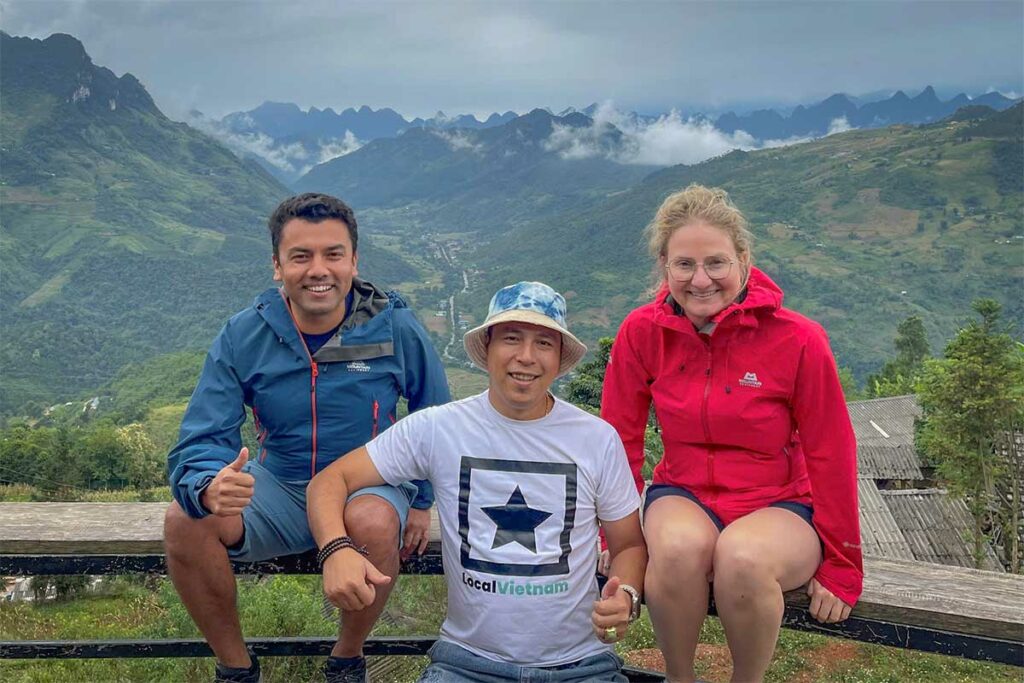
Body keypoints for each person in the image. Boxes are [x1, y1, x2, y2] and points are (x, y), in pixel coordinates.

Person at [164, 193, 450, 683]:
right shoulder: (244, 334)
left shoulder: (395, 326)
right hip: (280, 486)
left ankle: (346, 657)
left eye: (333, 254)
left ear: (353, 261)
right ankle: (235, 668)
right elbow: (203, 432)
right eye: (301, 256)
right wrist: (209, 484)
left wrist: (421, 499)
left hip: (368, 483)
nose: (319, 269)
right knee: (184, 520)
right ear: (277, 266)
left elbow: (435, 415)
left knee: (374, 522)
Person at [307, 281, 648, 682]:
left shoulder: (595, 438)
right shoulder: (440, 428)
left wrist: (625, 596)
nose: (526, 357)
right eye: (511, 338)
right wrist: (336, 550)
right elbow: (330, 481)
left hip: (581, 665)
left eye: (543, 343)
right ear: (487, 348)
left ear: (559, 358)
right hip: (466, 663)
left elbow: (628, 544)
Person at [601, 184, 862, 683]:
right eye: (684, 265)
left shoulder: (798, 339)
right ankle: (680, 678)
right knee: (675, 553)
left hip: (780, 501)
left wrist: (844, 565)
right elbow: (618, 440)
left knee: (741, 558)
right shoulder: (641, 332)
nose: (701, 280)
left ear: (744, 259)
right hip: (684, 491)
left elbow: (831, 451)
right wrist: (609, 535)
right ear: (664, 266)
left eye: (716, 263)